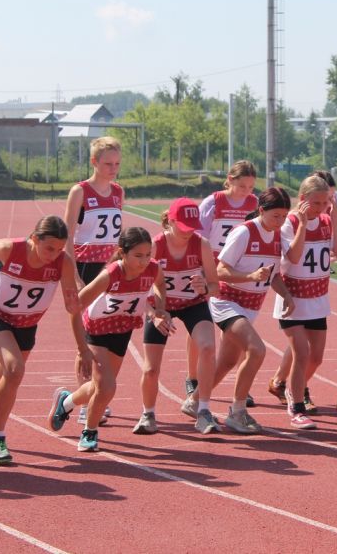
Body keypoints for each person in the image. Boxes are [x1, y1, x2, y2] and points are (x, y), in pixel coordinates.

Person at [0, 216, 80, 464]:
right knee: (15, 369)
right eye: (49, 248)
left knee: (5, 378)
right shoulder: (10, 249)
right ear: (34, 239)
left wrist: (74, 304)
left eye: (60, 249)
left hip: (27, 323)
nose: (54, 254)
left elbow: (72, 303)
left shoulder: (63, 263)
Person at [48, 227, 168, 452]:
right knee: (107, 387)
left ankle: (65, 403)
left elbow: (161, 285)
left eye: (147, 254)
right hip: (97, 330)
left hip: (122, 329)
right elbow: (75, 308)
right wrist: (81, 348)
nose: (144, 261)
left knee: (97, 387)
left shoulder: (152, 269)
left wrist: (160, 309)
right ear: (122, 253)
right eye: (138, 255)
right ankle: (90, 432)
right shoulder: (110, 275)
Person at [268, 177, 337, 429]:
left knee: (316, 358)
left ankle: (293, 390)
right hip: (293, 298)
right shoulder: (289, 222)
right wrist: (302, 226)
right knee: (301, 352)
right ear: (302, 200)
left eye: (326, 202)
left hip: (318, 298)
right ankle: (297, 407)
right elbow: (294, 255)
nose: (321, 207)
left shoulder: (325, 220)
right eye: (316, 203)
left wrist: (332, 223)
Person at [204, 187, 296, 433]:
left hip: (251, 305)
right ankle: (237, 411)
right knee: (256, 350)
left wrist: (286, 294)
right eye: (276, 216)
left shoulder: (277, 236)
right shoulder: (244, 232)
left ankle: (195, 402)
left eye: (285, 216)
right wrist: (250, 276)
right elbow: (220, 270)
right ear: (262, 211)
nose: (281, 221)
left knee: (226, 362)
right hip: (226, 301)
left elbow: (274, 274)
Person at [132, 199, 220, 435]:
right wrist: (155, 314)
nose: (188, 231)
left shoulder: (201, 244)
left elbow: (216, 286)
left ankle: (203, 410)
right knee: (150, 368)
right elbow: (138, 289)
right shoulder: (154, 246)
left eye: (193, 226)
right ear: (170, 222)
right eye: (183, 226)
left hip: (193, 304)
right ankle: (147, 413)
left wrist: (204, 287)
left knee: (209, 348)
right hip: (161, 307)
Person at [63, 136, 124, 425]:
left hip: (108, 266)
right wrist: (73, 274)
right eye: (108, 164)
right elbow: (67, 236)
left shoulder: (118, 192)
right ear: (94, 162)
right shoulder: (80, 191)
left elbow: (116, 232)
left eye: (117, 164)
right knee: (86, 332)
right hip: (85, 265)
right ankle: (86, 399)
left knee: (104, 328)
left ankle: (97, 392)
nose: (113, 169)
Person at [193, 160, 258, 406]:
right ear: (230, 180)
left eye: (251, 187)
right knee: (204, 326)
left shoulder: (254, 204)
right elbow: (199, 236)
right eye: (242, 186)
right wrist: (200, 269)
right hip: (212, 266)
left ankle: (241, 384)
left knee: (238, 331)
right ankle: (194, 377)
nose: (246, 192)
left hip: (239, 268)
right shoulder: (214, 202)